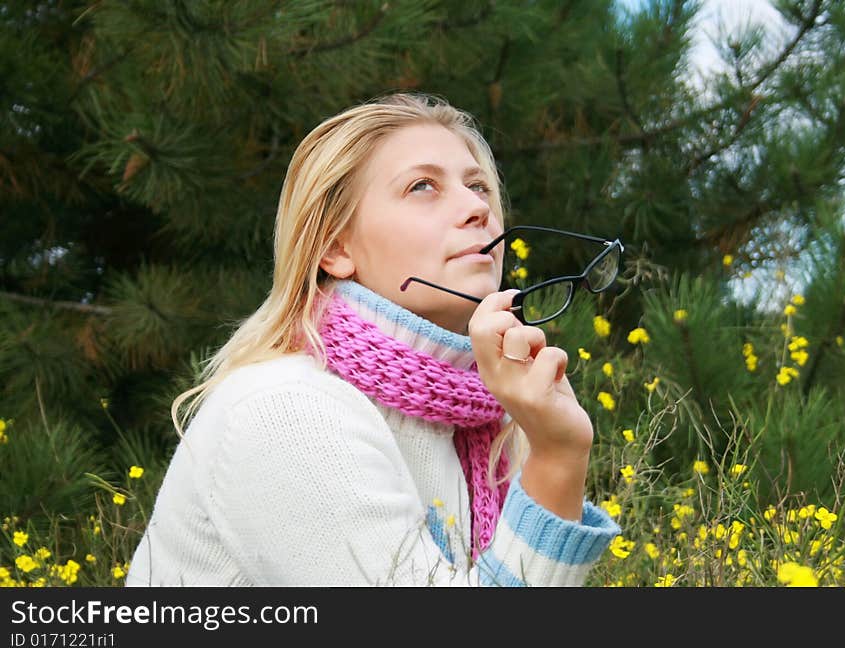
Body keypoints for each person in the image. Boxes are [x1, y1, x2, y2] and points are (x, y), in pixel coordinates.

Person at [126, 92, 620, 587]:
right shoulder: (285, 408)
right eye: (423, 186)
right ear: (336, 248)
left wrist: (555, 449)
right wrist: (557, 457)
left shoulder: (486, 428)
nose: (476, 208)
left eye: (478, 187)